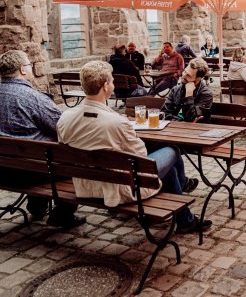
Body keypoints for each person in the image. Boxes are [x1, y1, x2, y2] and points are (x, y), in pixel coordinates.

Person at [57, 61, 209, 234]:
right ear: (106, 86)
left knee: (170, 170)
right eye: (112, 81)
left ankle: (185, 218)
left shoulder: (65, 117)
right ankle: (183, 203)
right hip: (120, 189)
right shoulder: (117, 122)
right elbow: (142, 156)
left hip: (85, 184)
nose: (113, 84)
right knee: (172, 150)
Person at [0, 50, 85, 228]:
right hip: (35, 172)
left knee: (36, 151)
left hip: (4, 171)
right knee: (75, 157)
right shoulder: (34, 98)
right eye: (30, 65)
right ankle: (62, 214)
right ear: (23, 70)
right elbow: (63, 128)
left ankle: (37, 206)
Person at [161, 57, 213, 123]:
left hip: (196, 131)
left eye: (188, 75)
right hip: (175, 129)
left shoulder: (206, 94)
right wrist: (181, 122)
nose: (183, 76)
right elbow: (163, 114)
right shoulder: (176, 90)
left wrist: (189, 95)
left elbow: (192, 119)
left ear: (198, 79)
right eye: (185, 71)